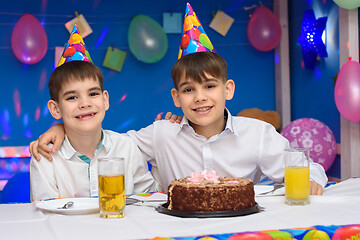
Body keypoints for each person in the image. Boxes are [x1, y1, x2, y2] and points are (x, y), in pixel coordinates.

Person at [29, 4, 327, 195]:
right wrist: (60, 129)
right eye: (188, 90)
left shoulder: (258, 134)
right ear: (176, 97)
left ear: (228, 90)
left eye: (209, 86)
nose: (200, 98)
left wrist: (312, 181)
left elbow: (305, 168)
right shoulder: (162, 133)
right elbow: (101, 139)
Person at [30, 26, 158, 201]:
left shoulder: (126, 147)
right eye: (72, 97)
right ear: (55, 109)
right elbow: (44, 213)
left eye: (93, 94)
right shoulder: (44, 156)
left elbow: (147, 200)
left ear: (105, 100)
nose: (85, 103)